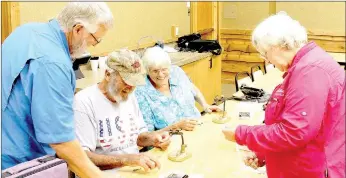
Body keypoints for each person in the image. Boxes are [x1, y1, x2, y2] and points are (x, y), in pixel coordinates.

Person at [222, 12, 345, 178]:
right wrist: (264, 152)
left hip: (312, 169)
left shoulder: (310, 71)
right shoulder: (306, 64)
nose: (266, 61)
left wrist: (241, 134)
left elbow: (294, 131)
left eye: (265, 54)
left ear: (277, 46)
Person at [2, 2, 116, 177]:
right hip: (20, 163)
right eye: (95, 38)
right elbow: (61, 142)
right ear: (78, 29)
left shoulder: (27, 31)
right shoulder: (53, 63)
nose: (94, 45)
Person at [74, 49, 171, 172]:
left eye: (134, 82)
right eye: (126, 81)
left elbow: (138, 137)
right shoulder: (84, 101)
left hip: (133, 170)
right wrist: (126, 160)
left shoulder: (128, 95)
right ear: (108, 74)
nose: (130, 88)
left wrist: (154, 139)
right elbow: (82, 157)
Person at [135, 47, 221, 132]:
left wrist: (205, 105)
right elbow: (148, 135)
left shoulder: (176, 72)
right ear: (147, 71)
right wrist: (176, 126)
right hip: (171, 140)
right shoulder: (141, 91)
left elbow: (191, 87)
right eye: (155, 71)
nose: (161, 75)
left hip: (198, 127)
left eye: (164, 69)